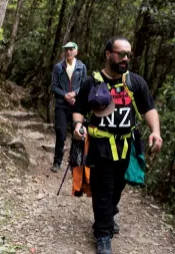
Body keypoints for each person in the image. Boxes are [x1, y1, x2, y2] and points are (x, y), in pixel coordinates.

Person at [72, 36, 163, 254]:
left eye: (128, 55)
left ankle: (108, 214)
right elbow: (79, 109)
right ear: (108, 54)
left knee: (117, 187)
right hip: (100, 145)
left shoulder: (135, 82)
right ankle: (104, 235)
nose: (125, 58)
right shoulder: (91, 82)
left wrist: (156, 132)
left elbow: (148, 109)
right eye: (121, 53)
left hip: (126, 147)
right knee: (103, 188)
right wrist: (77, 125)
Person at [50, 42, 87, 173]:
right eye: (66, 50)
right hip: (61, 105)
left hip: (77, 106)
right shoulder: (58, 67)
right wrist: (65, 95)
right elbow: (53, 86)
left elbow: (84, 86)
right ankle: (57, 162)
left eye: (71, 49)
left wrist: (75, 94)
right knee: (60, 133)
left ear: (76, 51)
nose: (68, 52)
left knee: (77, 134)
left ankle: (74, 162)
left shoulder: (81, 67)